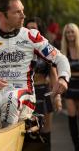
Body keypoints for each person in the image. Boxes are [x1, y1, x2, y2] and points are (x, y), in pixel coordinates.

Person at [0, 0, 70, 127]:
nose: (23, 16)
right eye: (17, 12)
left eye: (23, 11)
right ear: (1, 15)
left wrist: (63, 78)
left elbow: (60, 58)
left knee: (11, 99)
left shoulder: (31, 36)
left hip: (23, 95)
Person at [26, 17, 61, 150]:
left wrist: (57, 96)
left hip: (43, 92)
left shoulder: (46, 48)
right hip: (26, 94)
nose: (31, 31)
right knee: (30, 133)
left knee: (46, 132)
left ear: (39, 31)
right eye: (28, 28)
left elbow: (53, 73)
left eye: (34, 28)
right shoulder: (20, 48)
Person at [60, 23, 79, 151]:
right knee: (72, 117)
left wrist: (73, 73)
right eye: (67, 32)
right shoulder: (63, 51)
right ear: (65, 35)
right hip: (70, 88)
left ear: (76, 33)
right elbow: (61, 72)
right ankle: (77, 147)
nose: (70, 34)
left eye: (72, 32)